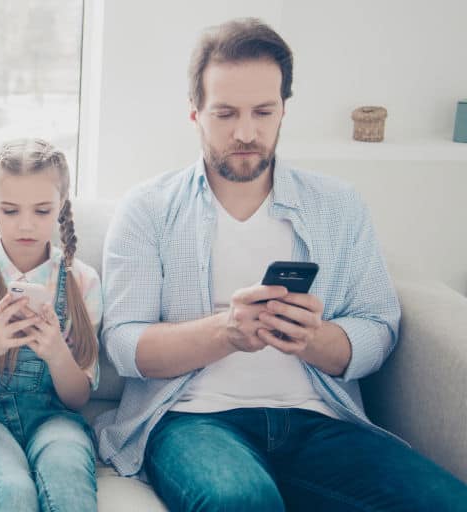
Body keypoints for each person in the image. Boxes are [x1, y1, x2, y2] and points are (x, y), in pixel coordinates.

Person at [95, 17, 467, 510]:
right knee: (241, 500)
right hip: (193, 419)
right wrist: (226, 332)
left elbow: (379, 326)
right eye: (225, 113)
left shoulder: (338, 205)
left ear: (284, 111)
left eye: (263, 112)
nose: (246, 132)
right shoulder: (148, 209)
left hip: (319, 420)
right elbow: (123, 344)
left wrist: (317, 341)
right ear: (195, 113)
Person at [0, 139, 102, 511]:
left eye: (42, 210)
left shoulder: (83, 282)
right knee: (12, 492)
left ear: (61, 206)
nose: (26, 225)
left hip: (55, 418)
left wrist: (56, 353)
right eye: (10, 210)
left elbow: (78, 399)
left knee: (69, 489)